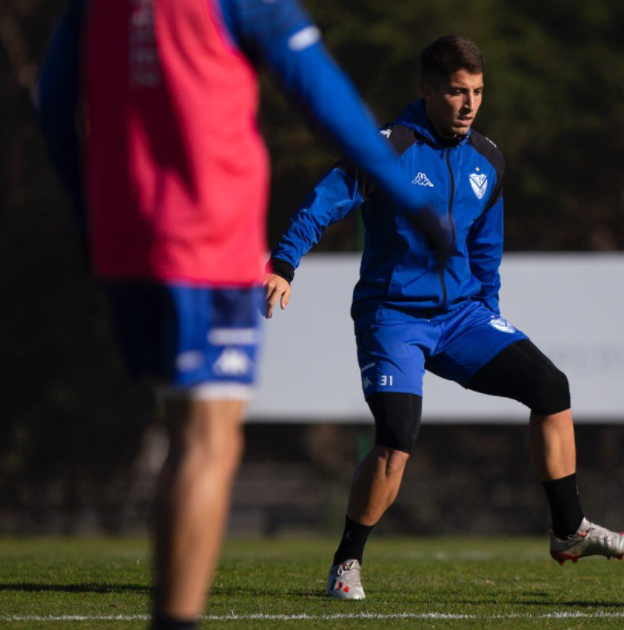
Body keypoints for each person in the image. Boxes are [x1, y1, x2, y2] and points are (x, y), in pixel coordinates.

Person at [35, 0, 450, 626]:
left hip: (123, 238)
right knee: (209, 444)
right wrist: (408, 200)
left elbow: (53, 95)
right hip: (203, 238)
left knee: (185, 438)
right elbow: (324, 96)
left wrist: (85, 209)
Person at [264, 35, 624, 601]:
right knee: (396, 440)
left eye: (477, 92)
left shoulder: (487, 160)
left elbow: (487, 248)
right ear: (427, 91)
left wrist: (487, 311)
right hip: (393, 317)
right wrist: (284, 264)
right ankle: (347, 561)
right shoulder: (388, 147)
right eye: (456, 92)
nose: (468, 104)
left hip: (463, 317)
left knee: (550, 386)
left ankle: (568, 530)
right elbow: (325, 200)